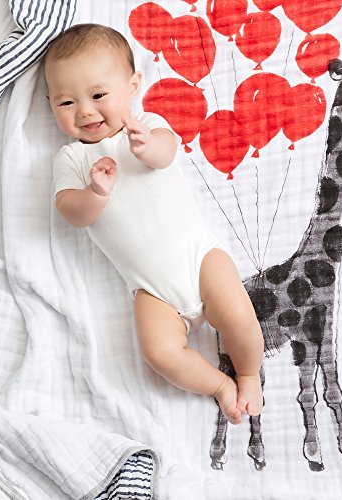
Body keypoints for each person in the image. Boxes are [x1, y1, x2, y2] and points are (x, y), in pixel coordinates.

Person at [43, 23, 264, 424]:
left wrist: (146, 147)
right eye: (67, 102)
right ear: (50, 103)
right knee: (158, 353)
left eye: (98, 95)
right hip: (150, 289)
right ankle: (219, 385)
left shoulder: (145, 123)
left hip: (199, 258)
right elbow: (70, 212)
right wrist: (95, 193)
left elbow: (166, 152)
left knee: (238, 316)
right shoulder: (72, 159)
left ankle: (248, 374)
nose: (85, 111)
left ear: (133, 86)